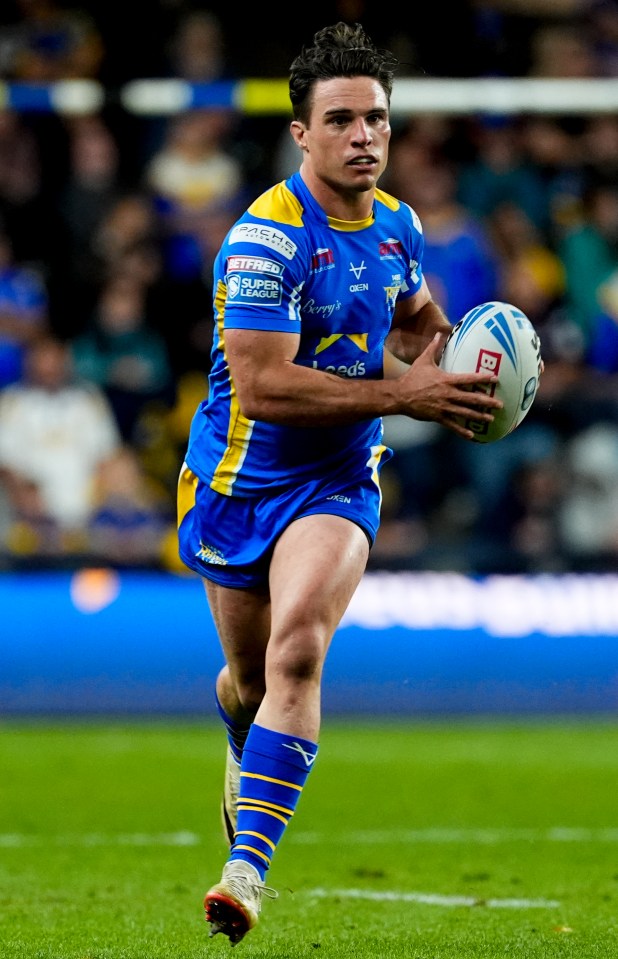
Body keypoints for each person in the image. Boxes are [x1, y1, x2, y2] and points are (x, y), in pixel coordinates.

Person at [176, 21, 503, 946]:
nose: (365, 136)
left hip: (338, 480)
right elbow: (267, 388)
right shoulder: (263, 239)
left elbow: (415, 317)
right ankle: (243, 739)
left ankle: (246, 871)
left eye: (378, 119)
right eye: (344, 120)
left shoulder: (398, 223)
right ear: (302, 134)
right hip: (237, 482)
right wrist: (408, 391)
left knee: (297, 653)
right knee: (246, 677)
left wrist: (467, 360)